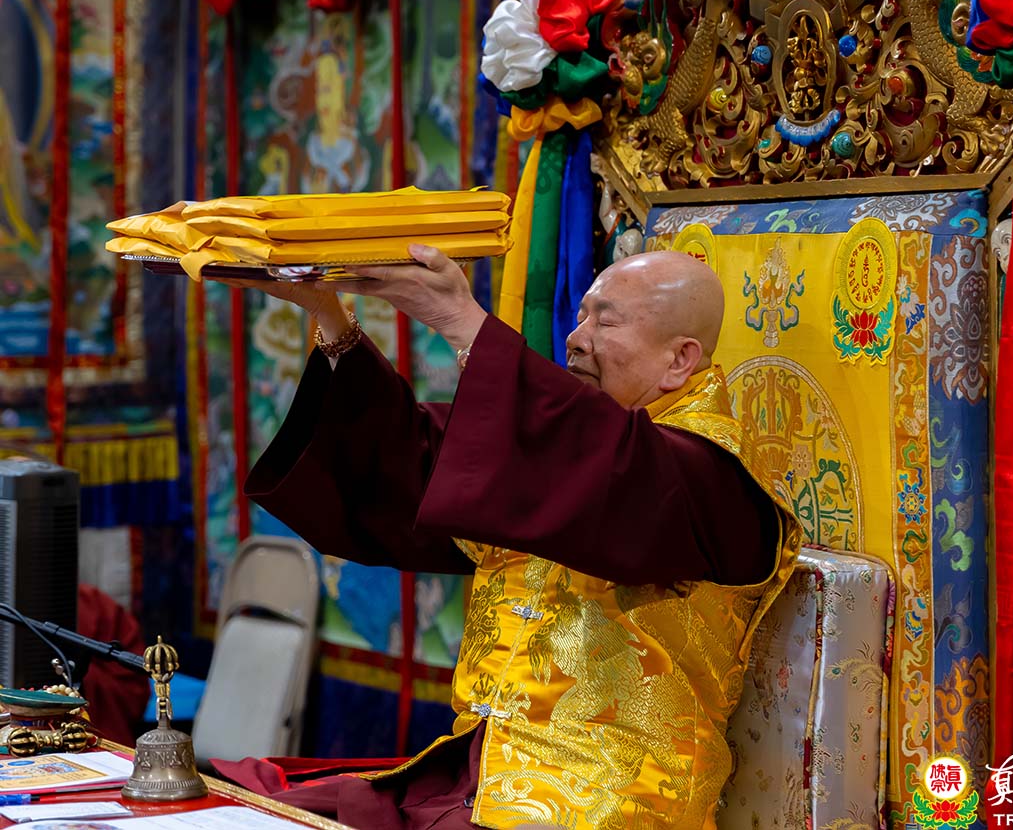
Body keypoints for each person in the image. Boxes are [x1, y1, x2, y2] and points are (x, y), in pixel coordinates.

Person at [224, 245, 803, 830]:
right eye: (580, 316)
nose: (576, 338)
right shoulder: (574, 451)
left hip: (607, 803)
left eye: (606, 322)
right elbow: (410, 463)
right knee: (244, 803)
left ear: (680, 360)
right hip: (479, 778)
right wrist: (330, 317)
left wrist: (461, 321)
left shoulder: (715, 481)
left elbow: (611, 470)